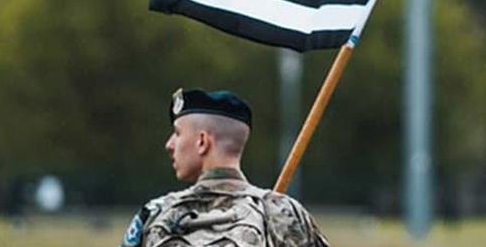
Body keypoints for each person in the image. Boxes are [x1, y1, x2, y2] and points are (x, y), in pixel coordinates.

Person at [120, 88, 329, 247]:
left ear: (202, 141)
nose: (169, 144)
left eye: (177, 133)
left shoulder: (154, 214)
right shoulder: (283, 214)